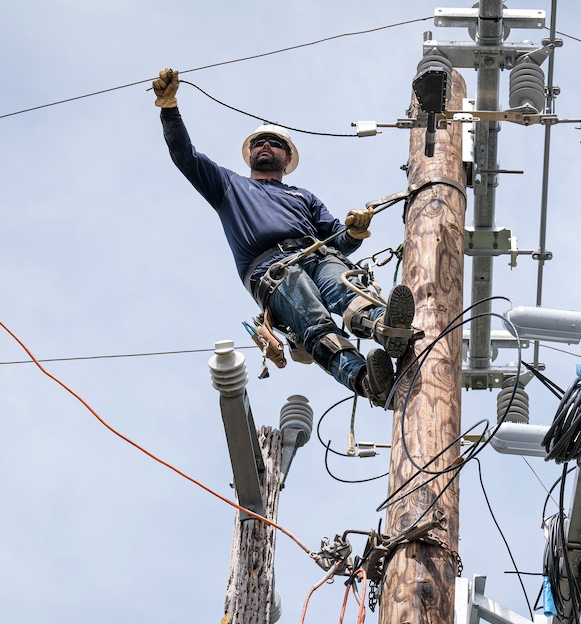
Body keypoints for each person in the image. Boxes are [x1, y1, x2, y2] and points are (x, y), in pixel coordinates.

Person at [152, 68, 416, 407]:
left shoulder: (302, 197)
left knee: (342, 284)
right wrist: (169, 108)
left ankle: (384, 326)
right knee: (317, 325)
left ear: (286, 158)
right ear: (249, 155)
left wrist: (354, 230)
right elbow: (184, 156)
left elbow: (338, 241)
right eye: (258, 143)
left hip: (318, 257)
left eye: (274, 144)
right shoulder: (229, 186)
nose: (265, 146)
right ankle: (367, 381)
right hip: (273, 271)